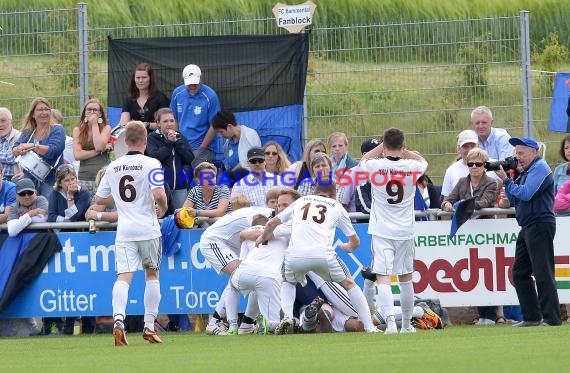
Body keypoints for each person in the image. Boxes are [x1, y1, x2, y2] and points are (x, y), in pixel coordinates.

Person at [258, 183, 380, 334]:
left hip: (295, 256)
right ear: (334, 196)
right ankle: (370, 327)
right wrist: (348, 247)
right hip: (323, 255)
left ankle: (288, 318)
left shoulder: (301, 202)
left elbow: (271, 223)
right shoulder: (337, 206)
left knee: (287, 282)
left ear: (313, 193)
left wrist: (262, 237)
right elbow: (355, 240)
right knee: (349, 284)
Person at [93, 120, 168, 346]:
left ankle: (118, 320)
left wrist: (118, 196)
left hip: (124, 230)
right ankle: (148, 326)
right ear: (145, 141)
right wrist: (163, 208)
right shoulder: (152, 163)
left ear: (125, 141)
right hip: (148, 227)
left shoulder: (113, 167)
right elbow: (159, 194)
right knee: (152, 275)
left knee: (123, 277)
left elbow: (99, 199)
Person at [360, 127, 428, 334]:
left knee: (384, 277)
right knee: (406, 277)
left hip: (382, 230)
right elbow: (423, 161)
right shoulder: (413, 166)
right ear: (403, 144)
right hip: (405, 230)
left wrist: (381, 147)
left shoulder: (375, 165)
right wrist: (404, 150)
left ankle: (390, 324)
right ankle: (406, 325)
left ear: (384, 145)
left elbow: (363, 159)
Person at [494, 136, 561, 327]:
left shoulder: (540, 168)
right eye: (516, 153)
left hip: (540, 224)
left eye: (521, 153)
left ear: (534, 152)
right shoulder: (526, 171)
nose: (518, 157)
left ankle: (552, 319)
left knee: (543, 272)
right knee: (520, 272)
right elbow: (516, 201)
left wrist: (507, 180)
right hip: (528, 225)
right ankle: (532, 317)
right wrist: (507, 190)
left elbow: (526, 193)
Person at [442, 148, 499, 325]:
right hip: (467, 232)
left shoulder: (491, 183)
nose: (474, 167)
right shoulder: (461, 182)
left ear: (484, 166)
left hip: (485, 231)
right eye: (471, 164)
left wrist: (462, 205)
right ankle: (480, 314)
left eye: (478, 164)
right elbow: (447, 199)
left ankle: (489, 314)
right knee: (473, 271)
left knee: (488, 273)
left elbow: (485, 202)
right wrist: (448, 205)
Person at [201, 204, 273, 335]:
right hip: (215, 240)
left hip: (234, 243)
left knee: (256, 278)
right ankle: (215, 322)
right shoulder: (265, 216)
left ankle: (246, 325)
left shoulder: (276, 217)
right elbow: (252, 230)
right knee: (238, 278)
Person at [46, 164, 93, 333]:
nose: (71, 182)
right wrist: (65, 219)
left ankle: (89, 327)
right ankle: (67, 327)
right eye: (66, 180)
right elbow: (50, 216)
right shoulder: (54, 194)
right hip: (63, 244)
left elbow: (75, 216)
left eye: (73, 178)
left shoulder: (83, 193)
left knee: (85, 284)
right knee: (69, 284)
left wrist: (70, 197)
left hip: (82, 243)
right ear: (59, 182)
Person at [12, 97, 66, 198]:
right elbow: (15, 149)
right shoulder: (28, 132)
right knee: (30, 211)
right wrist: (18, 150)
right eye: (40, 110)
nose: (44, 112)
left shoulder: (57, 130)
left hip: (51, 181)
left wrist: (33, 146)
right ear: (33, 114)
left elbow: (54, 150)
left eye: (47, 109)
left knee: (49, 210)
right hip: (30, 181)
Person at [170, 64, 221, 166]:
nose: (192, 85)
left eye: (195, 82)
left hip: (203, 147)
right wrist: (177, 140)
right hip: (182, 144)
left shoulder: (210, 96)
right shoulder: (177, 93)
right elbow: (173, 117)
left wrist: (202, 148)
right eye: (189, 83)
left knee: (200, 176)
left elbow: (214, 125)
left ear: (200, 79)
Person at [146, 107, 195, 209]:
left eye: (172, 120)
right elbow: (154, 157)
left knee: (180, 217)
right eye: (165, 121)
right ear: (158, 123)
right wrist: (169, 143)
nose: (169, 124)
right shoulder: (152, 138)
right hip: (160, 187)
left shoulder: (180, 137)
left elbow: (189, 158)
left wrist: (177, 143)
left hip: (180, 185)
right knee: (162, 216)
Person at [72, 99, 113, 197]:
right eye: (89, 109)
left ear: (100, 113)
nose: (92, 112)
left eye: (95, 110)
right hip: (84, 176)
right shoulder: (78, 130)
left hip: (102, 177)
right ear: (84, 113)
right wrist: (99, 151)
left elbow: (99, 145)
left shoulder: (106, 128)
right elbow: (77, 155)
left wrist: (94, 124)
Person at [119, 63, 170, 132]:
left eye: (144, 77)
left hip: (156, 139)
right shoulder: (129, 99)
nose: (140, 81)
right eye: (138, 78)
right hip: (135, 138)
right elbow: (123, 124)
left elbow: (164, 124)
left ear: (150, 79)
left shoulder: (160, 98)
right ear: (134, 79)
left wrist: (145, 124)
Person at [212, 109, 261, 177]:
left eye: (221, 132)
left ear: (229, 127)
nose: (220, 136)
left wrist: (230, 173)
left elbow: (249, 162)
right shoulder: (227, 143)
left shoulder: (250, 135)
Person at [0, 107, 21, 181]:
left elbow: (12, 157)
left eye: (3, 121)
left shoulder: (19, 136)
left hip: (12, 178)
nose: (0, 124)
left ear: (11, 122)